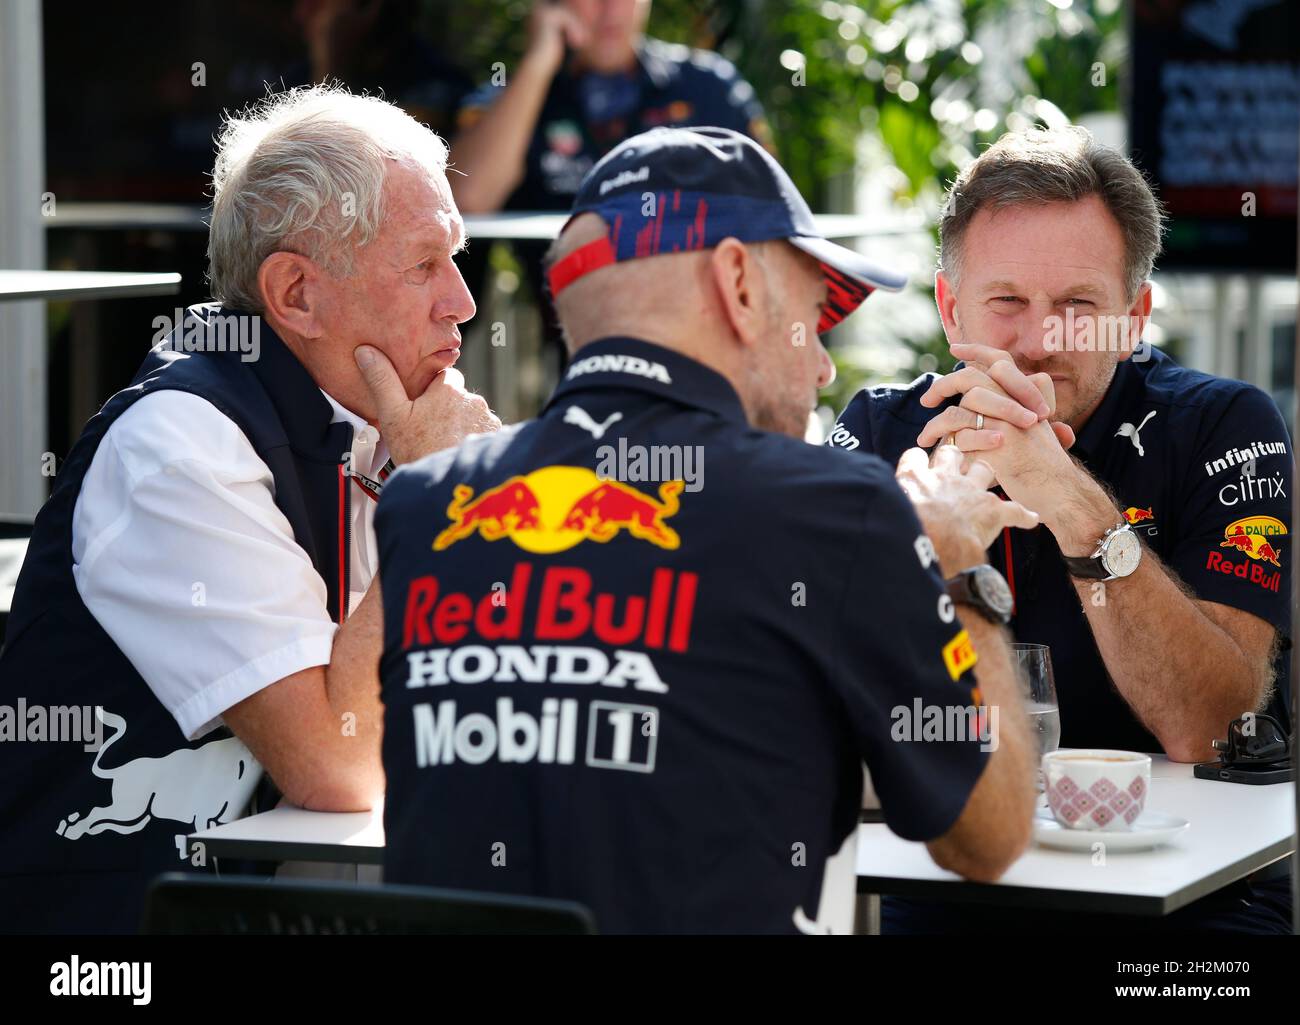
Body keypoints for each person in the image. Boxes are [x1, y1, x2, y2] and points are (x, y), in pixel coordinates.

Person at [375, 125, 1041, 934]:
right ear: (739, 282)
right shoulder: (834, 507)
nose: (825, 366)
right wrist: (961, 562)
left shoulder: (421, 504)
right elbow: (991, 835)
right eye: (813, 311)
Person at [0, 85, 499, 933]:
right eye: (423, 265)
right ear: (296, 294)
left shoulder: (380, 424)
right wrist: (438, 500)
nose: (463, 302)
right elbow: (339, 761)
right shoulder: (177, 444)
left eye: (454, 259)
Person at [828, 125, 1293, 934]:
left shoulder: (1223, 423)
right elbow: (811, 716)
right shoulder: (880, 430)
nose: (1041, 343)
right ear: (948, 305)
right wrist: (928, 552)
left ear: (1135, 315)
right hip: (949, 894)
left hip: (1190, 908)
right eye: (1006, 303)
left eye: (1080, 308)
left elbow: (1211, 728)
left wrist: (1071, 502)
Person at [449, 0, 772, 356]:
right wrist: (538, 65)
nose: (611, 10)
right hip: (576, 353)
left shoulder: (708, 86)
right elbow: (466, 200)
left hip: (710, 339)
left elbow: (771, 210)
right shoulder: (515, 93)